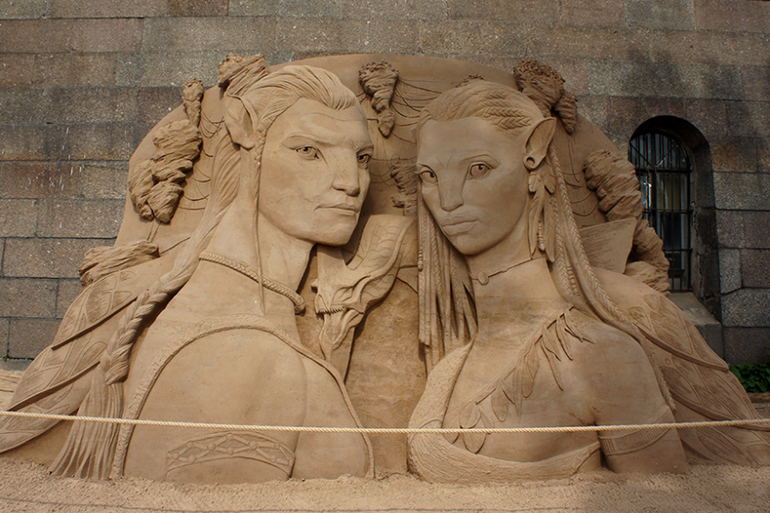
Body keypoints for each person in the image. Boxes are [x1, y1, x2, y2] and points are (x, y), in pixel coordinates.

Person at [6, 62, 378, 484]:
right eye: (309, 151)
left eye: (361, 158)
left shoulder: (231, 321)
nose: (351, 182)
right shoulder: (250, 356)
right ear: (246, 137)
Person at [407, 80, 770, 483]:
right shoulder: (448, 370)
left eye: (479, 169)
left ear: (533, 161)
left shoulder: (603, 355)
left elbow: (663, 492)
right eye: (429, 175)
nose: (448, 200)